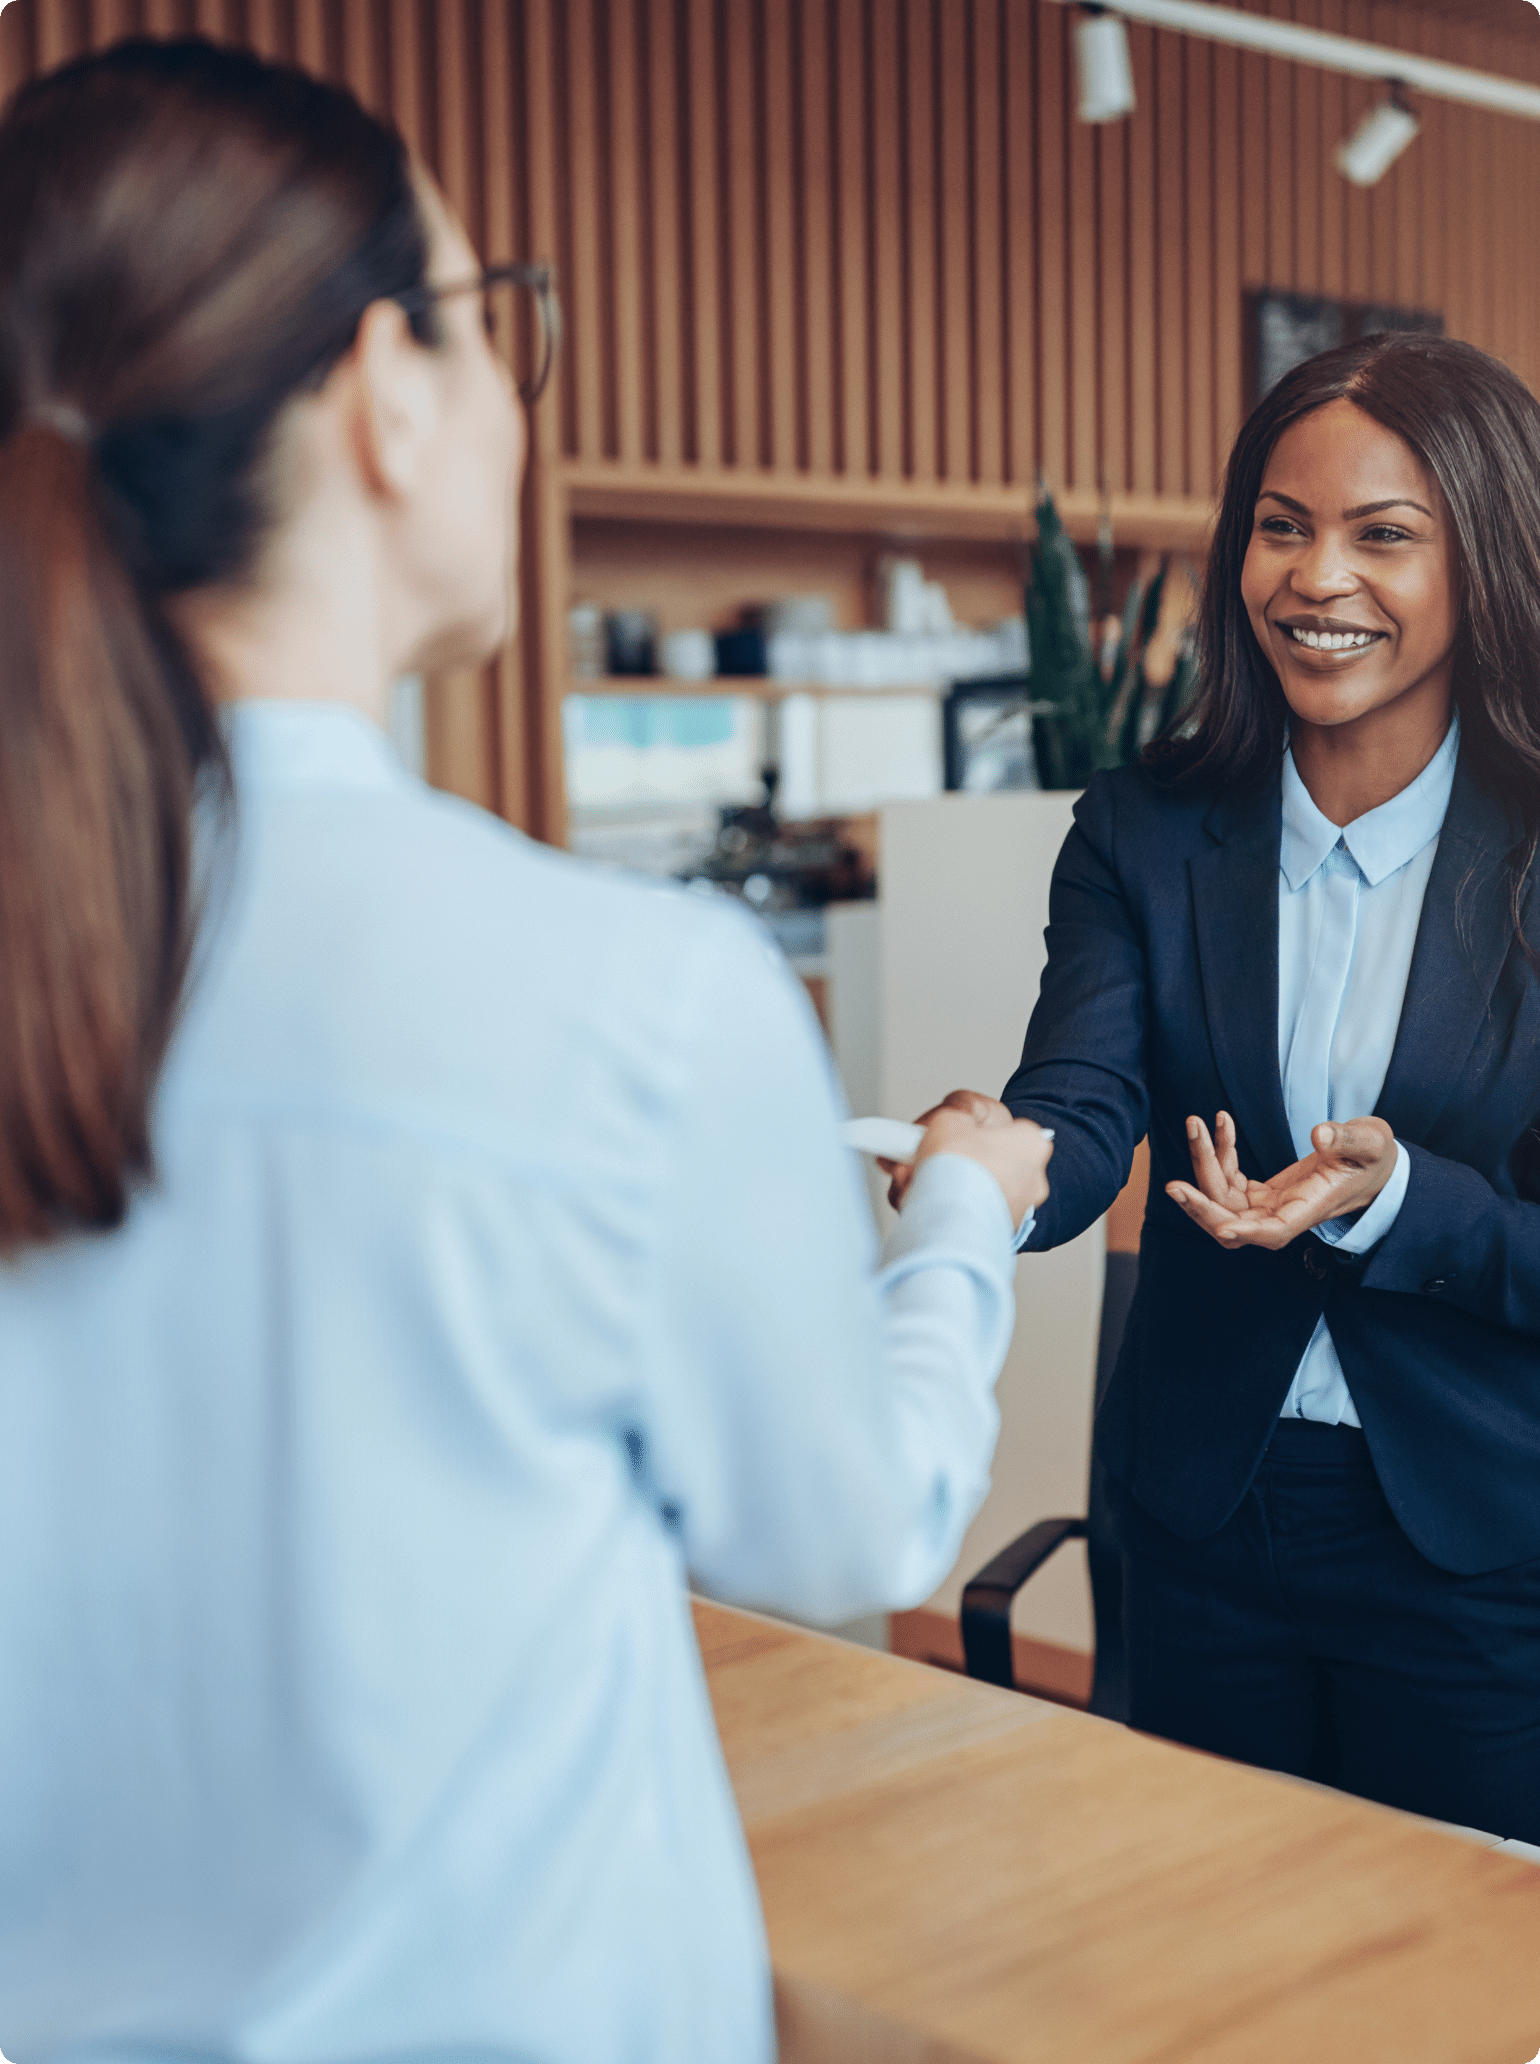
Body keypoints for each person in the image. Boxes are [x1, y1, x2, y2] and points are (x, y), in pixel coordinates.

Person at [0, 39, 1053, 2061]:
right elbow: (846, 1526)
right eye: (497, 322)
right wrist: (952, 1226)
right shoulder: (621, 1000)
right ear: (387, 393)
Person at [899, 332, 1540, 1844]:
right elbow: (1079, 1101)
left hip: (1480, 1545)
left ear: (1490, 556)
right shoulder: (1145, 828)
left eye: (1385, 533)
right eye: (1280, 524)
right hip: (1204, 1518)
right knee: (1204, 1956)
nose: (1317, 578)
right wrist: (983, 1173)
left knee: (1454, 1988)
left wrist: (1395, 1203)